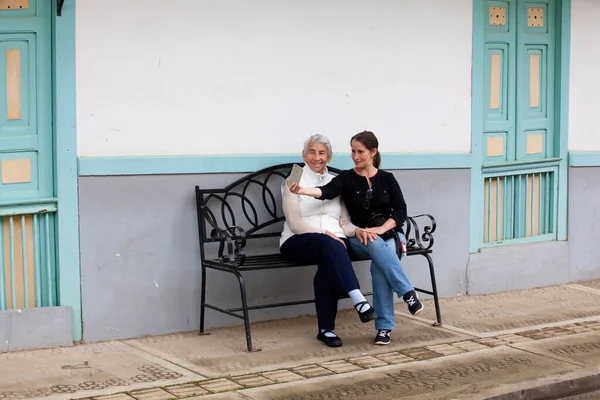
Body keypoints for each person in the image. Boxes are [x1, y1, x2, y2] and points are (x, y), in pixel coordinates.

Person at [289, 130, 423, 346]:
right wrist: (302, 190)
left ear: (373, 152)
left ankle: (384, 329)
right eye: (353, 151)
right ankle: (406, 293)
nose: (355, 156)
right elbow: (325, 191)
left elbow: (400, 211)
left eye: (360, 151)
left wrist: (380, 229)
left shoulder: (387, 179)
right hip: (358, 238)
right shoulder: (346, 179)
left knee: (379, 260)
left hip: (387, 235)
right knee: (374, 245)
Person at [280, 134, 376, 348]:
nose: (317, 157)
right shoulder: (294, 179)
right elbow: (295, 223)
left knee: (329, 259)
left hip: (334, 245)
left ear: (329, 157)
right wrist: (325, 233)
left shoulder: (336, 181)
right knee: (329, 244)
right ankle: (358, 299)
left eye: (322, 153)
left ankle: (326, 330)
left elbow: (344, 223)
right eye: (312, 152)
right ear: (304, 155)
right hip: (298, 241)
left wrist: (361, 230)